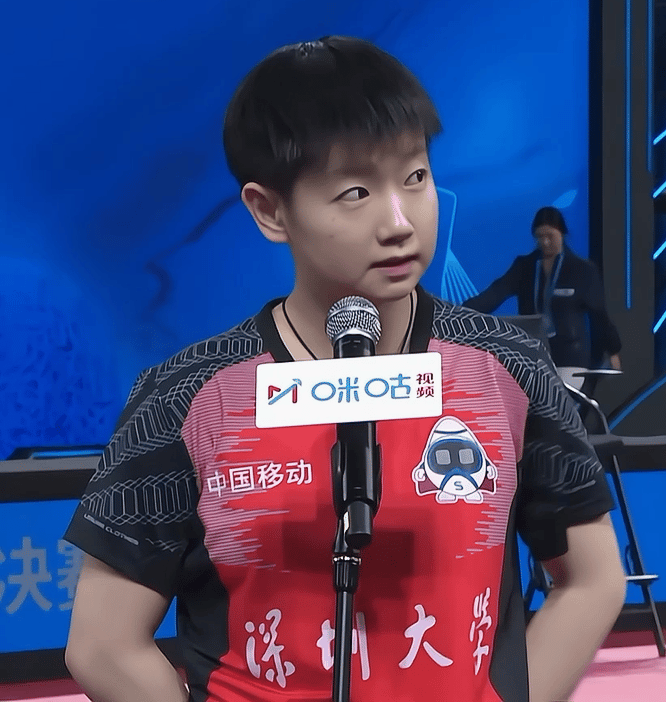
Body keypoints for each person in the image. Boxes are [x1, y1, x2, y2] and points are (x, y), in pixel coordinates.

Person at [63, 37, 626, 702]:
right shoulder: (183, 399)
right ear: (270, 210)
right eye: (356, 191)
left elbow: (592, 579)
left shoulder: (508, 365)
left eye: (415, 177)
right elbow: (103, 645)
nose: (399, 222)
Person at [464, 207, 622, 390]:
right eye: (539, 237)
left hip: (570, 359)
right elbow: (493, 295)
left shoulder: (582, 270)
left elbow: (599, 314)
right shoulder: (524, 267)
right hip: (532, 358)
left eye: (550, 236)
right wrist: (460, 313)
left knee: (558, 402)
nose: (545, 242)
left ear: (562, 233)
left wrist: (613, 350)